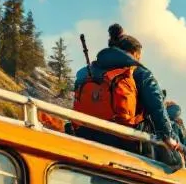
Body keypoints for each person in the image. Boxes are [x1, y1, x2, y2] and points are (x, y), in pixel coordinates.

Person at [72, 24, 180, 161]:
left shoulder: (86, 71)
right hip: (126, 141)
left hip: (85, 135)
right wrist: (169, 137)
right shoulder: (139, 73)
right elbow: (157, 106)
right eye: (138, 56)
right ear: (134, 53)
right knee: (170, 156)